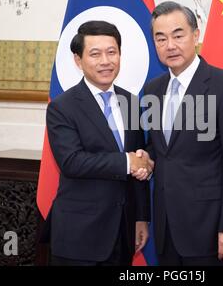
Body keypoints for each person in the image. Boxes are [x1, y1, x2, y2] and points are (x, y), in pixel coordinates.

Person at [137, 1, 223, 266]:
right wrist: (147, 157)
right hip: (166, 229)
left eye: (178, 35)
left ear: (196, 35)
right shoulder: (153, 89)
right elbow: (162, 148)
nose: (170, 45)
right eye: (161, 38)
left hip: (209, 230)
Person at [46, 20, 153, 265]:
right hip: (79, 236)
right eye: (95, 54)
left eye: (112, 52)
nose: (106, 61)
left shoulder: (132, 102)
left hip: (123, 232)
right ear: (78, 60)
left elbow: (139, 158)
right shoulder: (62, 107)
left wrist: (140, 217)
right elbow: (72, 162)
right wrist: (128, 161)